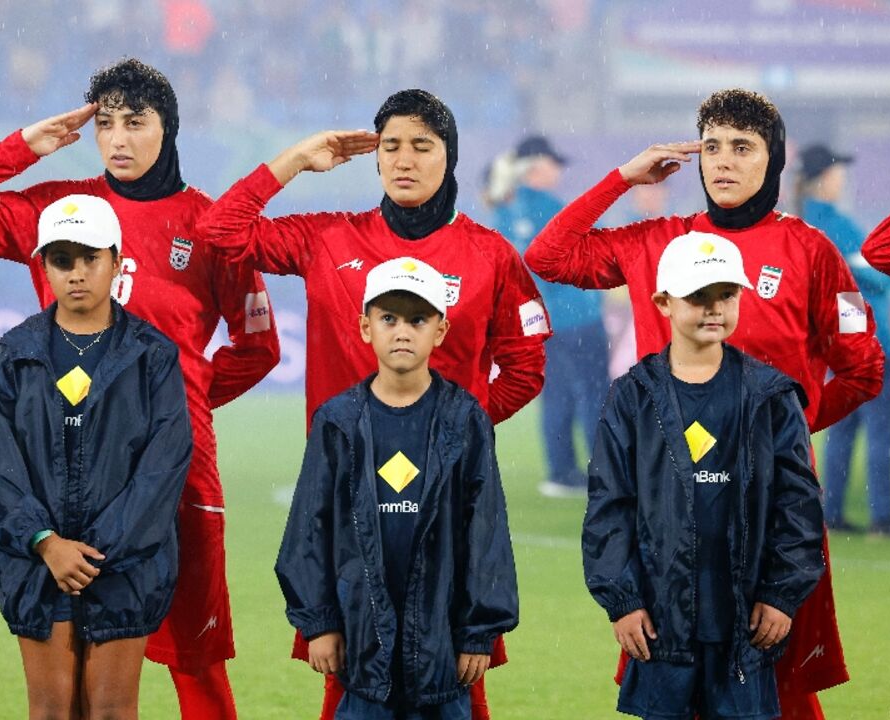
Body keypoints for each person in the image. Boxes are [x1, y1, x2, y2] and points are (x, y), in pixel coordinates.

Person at [0, 58, 277, 719]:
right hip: (65, 475)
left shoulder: (210, 225)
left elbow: (259, 350)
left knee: (195, 660)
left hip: (177, 473)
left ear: (166, 129)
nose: (117, 138)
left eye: (135, 123)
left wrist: (168, 403)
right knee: (76, 672)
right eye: (105, 124)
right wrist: (23, 147)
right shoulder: (58, 211)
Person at [525, 88, 881, 718]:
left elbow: (863, 367)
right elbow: (548, 256)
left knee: (781, 691)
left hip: (773, 510)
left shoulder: (810, 251)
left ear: (773, 160)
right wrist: (622, 177)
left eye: (742, 147)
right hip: (667, 504)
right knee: (671, 684)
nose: (722, 161)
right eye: (711, 146)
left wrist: (786, 435)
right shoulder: (655, 242)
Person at [197, 87, 546, 719]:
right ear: (375, 159)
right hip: (343, 499)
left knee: (459, 681)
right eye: (390, 146)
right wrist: (294, 161)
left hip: (444, 504)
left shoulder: (489, 255)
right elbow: (219, 233)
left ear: (451, 157)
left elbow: (525, 367)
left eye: (422, 145)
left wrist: (449, 436)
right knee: (349, 677)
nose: (404, 159)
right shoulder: (328, 239)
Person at [584, 231, 825, 720]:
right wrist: (623, 600)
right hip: (659, 622)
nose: (714, 308)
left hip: (747, 623)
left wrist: (781, 594)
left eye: (726, 295)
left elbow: (798, 508)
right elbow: (610, 506)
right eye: (698, 296)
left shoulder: (771, 396)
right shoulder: (633, 397)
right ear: (663, 303)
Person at [0, 194, 192, 720]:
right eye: (62, 259)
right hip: (36, 564)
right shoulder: (12, 354)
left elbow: (162, 470)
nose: (77, 273)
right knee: (50, 713)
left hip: (123, 568)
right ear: (42, 266)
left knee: (112, 712)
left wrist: (92, 554)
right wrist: (47, 544)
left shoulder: (153, 357)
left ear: (117, 261)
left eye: (90, 258)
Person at [276, 257, 519, 719]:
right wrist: (319, 622)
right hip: (361, 647)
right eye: (388, 318)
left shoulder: (464, 419)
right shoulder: (337, 421)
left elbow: (486, 533)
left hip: (443, 649)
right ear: (365, 327)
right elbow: (309, 529)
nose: (402, 331)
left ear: (441, 331)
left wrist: (478, 632)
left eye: (417, 319)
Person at [493, 135, 608, 497]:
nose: (558, 170)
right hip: (579, 317)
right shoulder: (553, 208)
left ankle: (561, 472)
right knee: (594, 394)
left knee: (556, 395)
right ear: (536, 166)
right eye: (553, 163)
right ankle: (603, 472)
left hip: (541, 322)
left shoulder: (506, 210)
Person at [797, 145, 890, 537]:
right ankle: (882, 514)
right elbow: (874, 277)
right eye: (838, 172)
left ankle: (833, 509)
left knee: (844, 428)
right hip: (866, 337)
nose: (843, 180)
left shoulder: (802, 223)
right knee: (880, 429)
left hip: (836, 339)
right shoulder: (837, 223)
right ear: (825, 178)